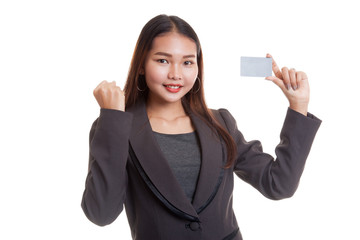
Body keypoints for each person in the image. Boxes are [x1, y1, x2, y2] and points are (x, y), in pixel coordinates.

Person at [81, 14, 321, 240]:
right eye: (163, 60)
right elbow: (101, 214)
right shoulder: (117, 128)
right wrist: (112, 118)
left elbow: (278, 184)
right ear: (141, 64)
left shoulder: (221, 123)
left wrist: (298, 106)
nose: (176, 74)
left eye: (187, 62)